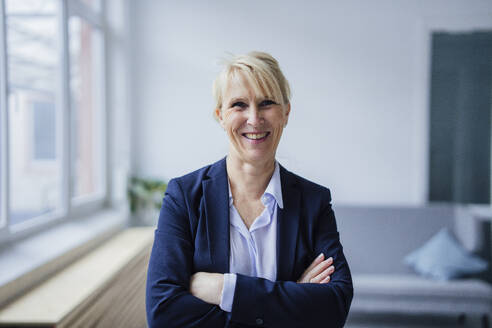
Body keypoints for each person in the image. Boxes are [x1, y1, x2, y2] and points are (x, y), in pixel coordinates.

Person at [146, 51, 353, 328]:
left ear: (286, 112)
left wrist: (225, 289)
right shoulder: (184, 197)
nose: (254, 119)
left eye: (267, 103)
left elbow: (334, 306)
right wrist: (291, 298)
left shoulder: (314, 201)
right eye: (239, 105)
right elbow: (163, 314)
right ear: (220, 115)